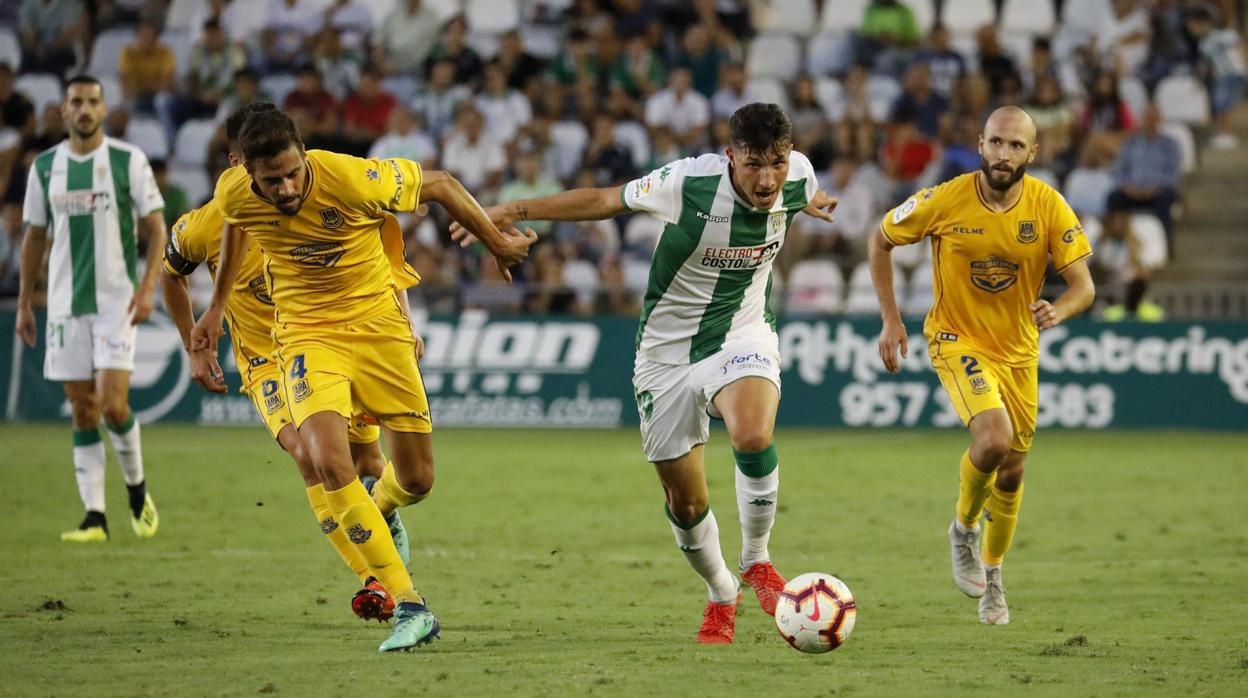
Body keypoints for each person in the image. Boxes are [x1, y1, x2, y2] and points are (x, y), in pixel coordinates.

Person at [450, 103, 838, 644]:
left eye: (776, 162)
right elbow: (605, 200)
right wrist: (514, 209)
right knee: (686, 502)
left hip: (742, 333)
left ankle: (757, 560)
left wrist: (813, 199)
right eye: (753, 164)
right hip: (664, 353)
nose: (767, 177)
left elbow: (802, 186)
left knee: (753, 433)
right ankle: (722, 591)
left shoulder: (797, 174)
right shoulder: (688, 183)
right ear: (731, 157)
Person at [188, 108, 536, 652]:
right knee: (326, 460)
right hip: (307, 334)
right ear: (249, 174)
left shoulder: (349, 177)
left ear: (303, 155)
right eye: (270, 180)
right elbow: (236, 224)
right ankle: (410, 604)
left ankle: (381, 503)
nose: (284, 188)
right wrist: (214, 309)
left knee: (417, 479)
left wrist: (493, 240)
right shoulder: (234, 193)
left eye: (291, 174)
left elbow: (441, 183)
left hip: (379, 330)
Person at [160, 103, 417, 623]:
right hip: (270, 364)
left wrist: (403, 320)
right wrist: (196, 341)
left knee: (369, 466)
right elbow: (172, 273)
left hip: (342, 340)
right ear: (239, 162)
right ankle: (378, 581)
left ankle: (380, 513)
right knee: (311, 456)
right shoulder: (209, 222)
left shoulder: (322, 195)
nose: (277, 184)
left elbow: (375, 249)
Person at [867, 106, 1096, 625]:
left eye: (1016, 146)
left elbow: (1084, 286)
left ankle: (994, 578)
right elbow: (879, 240)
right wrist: (891, 319)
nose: (1003, 154)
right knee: (993, 440)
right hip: (956, 339)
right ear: (980, 143)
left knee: (1012, 473)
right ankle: (964, 529)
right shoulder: (945, 199)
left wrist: (1057, 308)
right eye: (996, 142)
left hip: (1018, 354)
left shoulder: (1048, 205)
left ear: (1032, 154)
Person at [15, 75, 166, 542]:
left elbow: (158, 230)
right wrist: (24, 302)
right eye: (76, 102)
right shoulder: (44, 168)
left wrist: (147, 290)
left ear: (104, 110)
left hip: (116, 303)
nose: (84, 109)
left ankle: (137, 489)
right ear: (63, 111)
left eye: (92, 102)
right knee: (82, 411)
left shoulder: (127, 160)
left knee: (113, 405)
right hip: (62, 306)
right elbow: (35, 236)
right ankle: (94, 517)